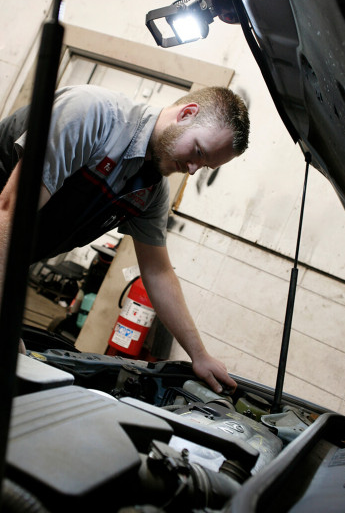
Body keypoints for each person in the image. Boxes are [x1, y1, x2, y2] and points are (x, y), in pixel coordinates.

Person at [0, 84, 250, 393]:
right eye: (199, 152)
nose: (193, 169)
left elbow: (158, 272)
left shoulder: (150, 193)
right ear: (186, 114)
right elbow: (10, 210)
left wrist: (199, 355)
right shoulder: (92, 115)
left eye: (205, 165)